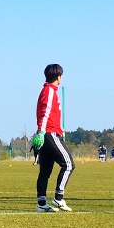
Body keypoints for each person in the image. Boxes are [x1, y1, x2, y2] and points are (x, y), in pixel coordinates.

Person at [31, 64, 75, 212]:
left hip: (47, 133)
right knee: (68, 165)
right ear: (58, 77)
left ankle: (41, 203)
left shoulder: (48, 90)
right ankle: (58, 197)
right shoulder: (49, 90)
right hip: (50, 133)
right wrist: (41, 132)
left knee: (45, 170)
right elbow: (45, 112)